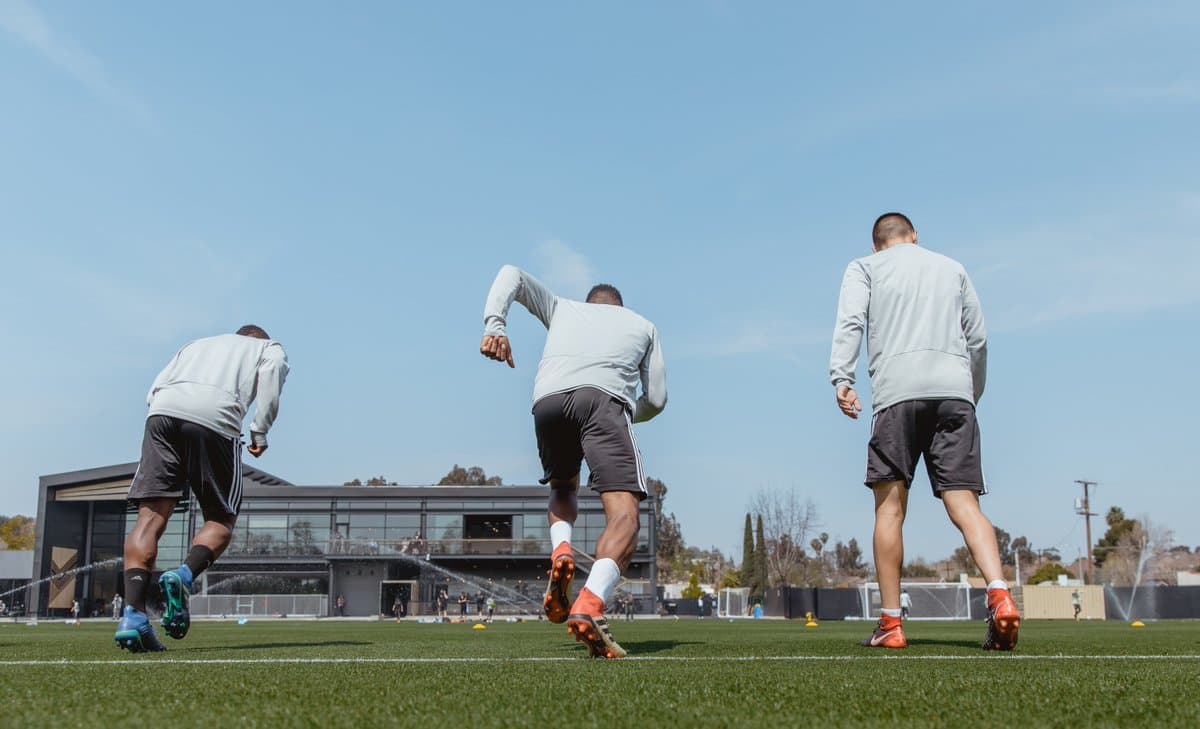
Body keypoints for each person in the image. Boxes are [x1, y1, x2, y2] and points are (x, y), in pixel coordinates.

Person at [830, 213, 1019, 651]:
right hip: (954, 393)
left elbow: (851, 322)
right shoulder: (953, 267)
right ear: (914, 236)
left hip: (896, 394)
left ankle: (891, 624)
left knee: (889, 511)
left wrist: (842, 378)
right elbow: (979, 339)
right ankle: (999, 593)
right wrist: (970, 393)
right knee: (965, 504)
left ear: (876, 246)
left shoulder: (864, 268)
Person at [480, 265, 667, 659]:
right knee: (625, 516)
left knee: (563, 487)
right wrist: (625, 411)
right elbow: (657, 399)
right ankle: (591, 602)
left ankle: (561, 549)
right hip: (602, 402)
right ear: (619, 309)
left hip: (548, 402)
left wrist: (495, 326)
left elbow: (512, 274)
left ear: (590, 305)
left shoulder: (562, 308)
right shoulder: (643, 326)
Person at [115, 325, 288, 653]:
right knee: (221, 518)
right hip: (215, 416)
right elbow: (274, 370)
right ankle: (183, 575)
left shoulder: (196, 344)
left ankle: (133, 616)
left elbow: (154, 389)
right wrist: (259, 431)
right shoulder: (267, 348)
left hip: (161, 412)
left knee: (149, 519)